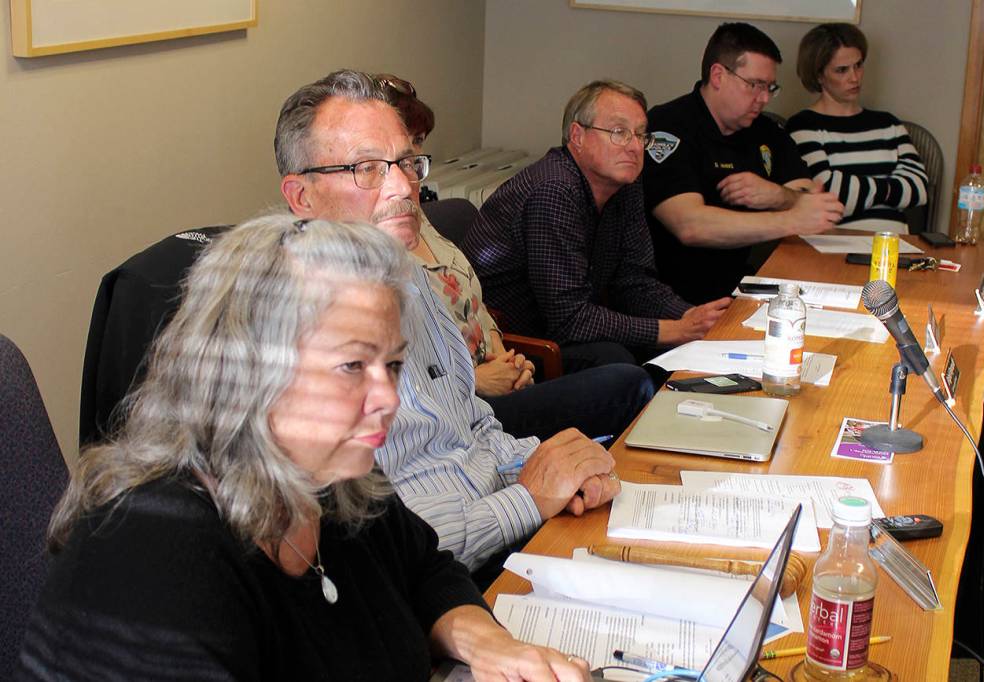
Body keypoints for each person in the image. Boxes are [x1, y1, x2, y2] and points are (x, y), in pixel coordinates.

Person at [16, 214, 592, 681]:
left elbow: (425, 570)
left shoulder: (333, 479)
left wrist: (487, 643)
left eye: (391, 365)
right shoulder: (152, 553)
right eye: (351, 366)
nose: (386, 397)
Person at [276, 70, 619, 580]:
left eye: (407, 164)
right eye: (367, 168)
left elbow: (475, 427)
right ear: (301, 197)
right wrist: (529, 497)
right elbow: (392, 544)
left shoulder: (411, 276)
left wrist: (555, 465)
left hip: (499, 525)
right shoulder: (299, 336)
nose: (403, 187)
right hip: (446, 577)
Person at [378, 75, 654, 439]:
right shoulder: (372, 248)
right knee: (627, 381)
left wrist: (506, 358)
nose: (408, 171)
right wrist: (477, 378)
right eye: (395, 155)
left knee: (627, 371)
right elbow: (403, 374)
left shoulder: (419, 219)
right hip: (466, 404)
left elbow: (474, 304)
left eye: (414, 151)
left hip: (502, 370)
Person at [463, 79, 731, 373]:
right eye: (619, 132)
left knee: (684, 349)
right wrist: (676, 330)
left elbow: (634, 281)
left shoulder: (625, 184)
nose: (634, 147)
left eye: (641, 135)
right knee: (621, 363)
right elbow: (569, 319)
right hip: (515, 348)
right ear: (577, 136)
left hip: (564, 328)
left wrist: (693, 316)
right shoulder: (554, 189)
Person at [642, 22, 845, 304]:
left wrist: (778, 195)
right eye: (755, 85)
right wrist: (789, 218)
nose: (763, 98)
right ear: (718, 75)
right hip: (673, 296)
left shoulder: (766, 131)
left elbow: (811, 199)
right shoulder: (669, 125)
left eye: (770, 87)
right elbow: (690, 225)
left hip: (743, 289)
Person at [785, 23, 928, 233]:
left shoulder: (888, 124)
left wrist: (855, 189)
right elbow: (827, 194)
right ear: (819, 76)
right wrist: (890, 190)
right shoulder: (803, 126)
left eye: (858, 65)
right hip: (832, 246)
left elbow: (918, 189)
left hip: (894, 245)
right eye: (842, 70)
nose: (855, 77)